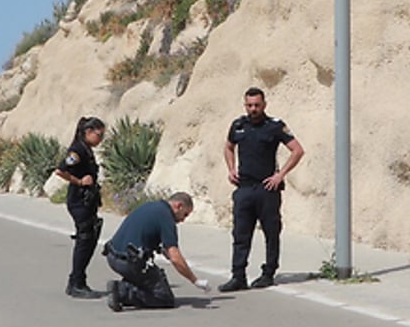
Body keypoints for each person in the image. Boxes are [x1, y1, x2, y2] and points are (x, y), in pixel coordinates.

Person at [218, 87, 305, 291]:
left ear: (264, 105)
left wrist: (280, 175)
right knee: (240, 234)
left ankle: (268, 273)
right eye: (250, 105)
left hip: (267, 190)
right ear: (245, 105)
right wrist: (231, 169)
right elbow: (229, 147)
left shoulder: (275, 126)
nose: (253, 109)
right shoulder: (238, 125)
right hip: (244, 189)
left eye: (257, 105)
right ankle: (238, 276)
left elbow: (297, 150)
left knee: (271, 233)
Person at [102, 192, 208, 311]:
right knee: (164, 298)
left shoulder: (151, 206)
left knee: (151, 276)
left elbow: (148, 234)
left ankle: (129, 285)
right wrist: (195, 280)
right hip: (129, 263)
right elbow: (175, 258)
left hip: (112, 256)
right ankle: (122, 291)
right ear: (179, 206)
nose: (183, 220)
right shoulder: (166, 218)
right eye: (185, 214)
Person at [53, 116, 106, 299]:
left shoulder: (87, 150)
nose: (101, 140)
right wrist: (79, 181)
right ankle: (76, 282)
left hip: (88, 201)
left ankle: (79, 279)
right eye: (99, 135)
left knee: (91, 238)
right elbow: (61, 170)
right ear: (89, 132)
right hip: (79, 201)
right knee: (85, 239)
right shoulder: (77, 150)